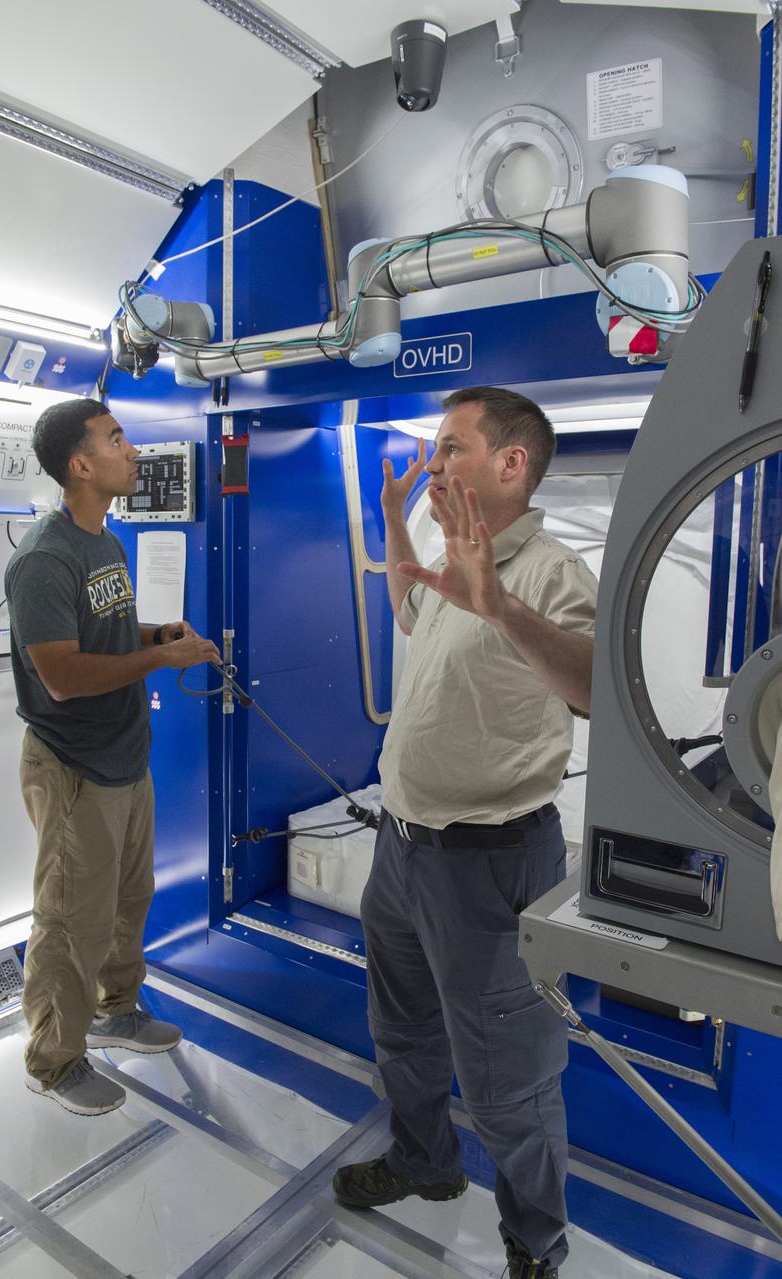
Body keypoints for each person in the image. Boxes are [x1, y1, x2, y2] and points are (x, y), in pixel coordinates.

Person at [333, 388, 597, 1279]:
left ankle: (534, 1243)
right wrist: (393, 525)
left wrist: (497, 606)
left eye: (450, 448)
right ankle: (423, 1163)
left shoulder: (551, 573)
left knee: (508, 1080)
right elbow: (410, 612)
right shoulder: (454, 557)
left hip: (489, 862)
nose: (435, 464)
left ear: (510, 463)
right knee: (402, 1033)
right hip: (401, 849)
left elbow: (598, 689)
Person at [5, 397, 220, 1117]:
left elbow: (108, 630)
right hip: (73, 767)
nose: (133, 452)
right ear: (81, 464)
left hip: (126, 758)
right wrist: (161, 663)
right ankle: (54, 1059)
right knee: (72, 917)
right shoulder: (43, 558)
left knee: (130, 899)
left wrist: (157, 633)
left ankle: (115, 1011)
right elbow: (62, 677)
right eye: (118, 440)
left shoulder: (108, 541)